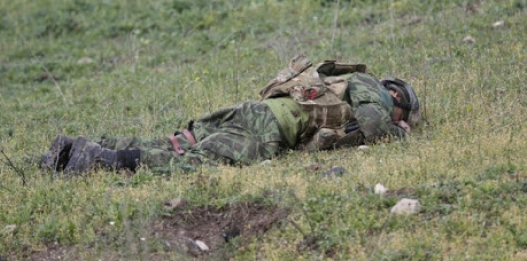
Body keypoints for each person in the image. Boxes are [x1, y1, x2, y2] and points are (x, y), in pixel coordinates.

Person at [40, 55, 420, 174]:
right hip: (268, 126)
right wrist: (400, 131)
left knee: (177, 145)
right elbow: (374, 124)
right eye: (402, 109)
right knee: (193, 163)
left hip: (251, 113)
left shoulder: (341, 90)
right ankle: (101, 161)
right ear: (394, 94)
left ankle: (72, 150)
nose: (399, 115)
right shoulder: (370, 88)